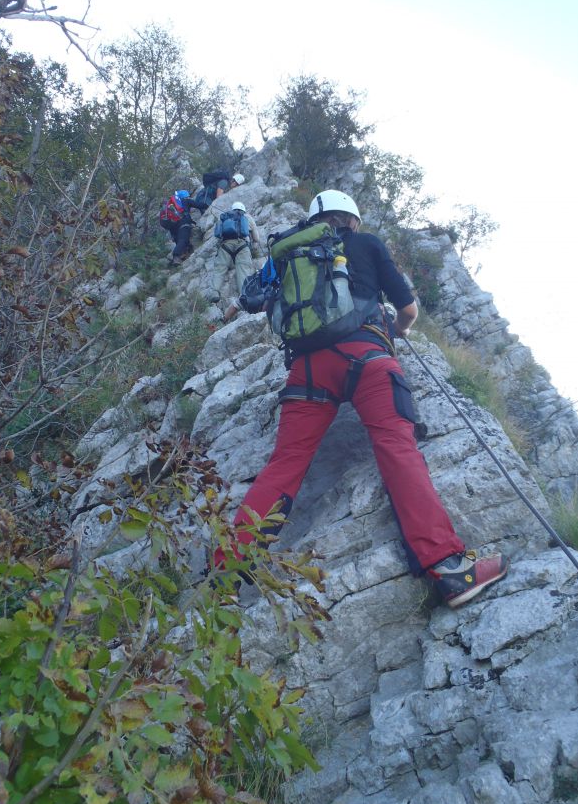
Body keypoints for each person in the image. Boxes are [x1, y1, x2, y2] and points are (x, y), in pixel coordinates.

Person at [214, 189, 508, 608]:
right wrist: (397, 329)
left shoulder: (289, 255)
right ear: (352, 219)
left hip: (307, 369)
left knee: (285, 463)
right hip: (367, 357)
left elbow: (253, 298)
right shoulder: (367, 244)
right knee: (396, 446)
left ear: (315, 221)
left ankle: (225, 573)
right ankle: (447, 566)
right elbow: (407, 309)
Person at [209, 201, 263, 314]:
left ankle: (214, 292)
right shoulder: (247, 217)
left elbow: (218, 234)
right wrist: (254, 248)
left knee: (220, 268)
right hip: (242, 246)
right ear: (243, 210)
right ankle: (244, 295)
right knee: (243, 269)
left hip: (226, 245)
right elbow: (256, 238)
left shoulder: (225, 217)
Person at [161, 189, 205, 265]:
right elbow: (199, 205)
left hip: (173, 227)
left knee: (180, 241)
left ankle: (182, 256)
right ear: (185, 196)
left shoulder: (173, 206)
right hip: (183, 223)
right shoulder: (186, 200)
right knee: (183, 240)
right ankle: (176, 257)